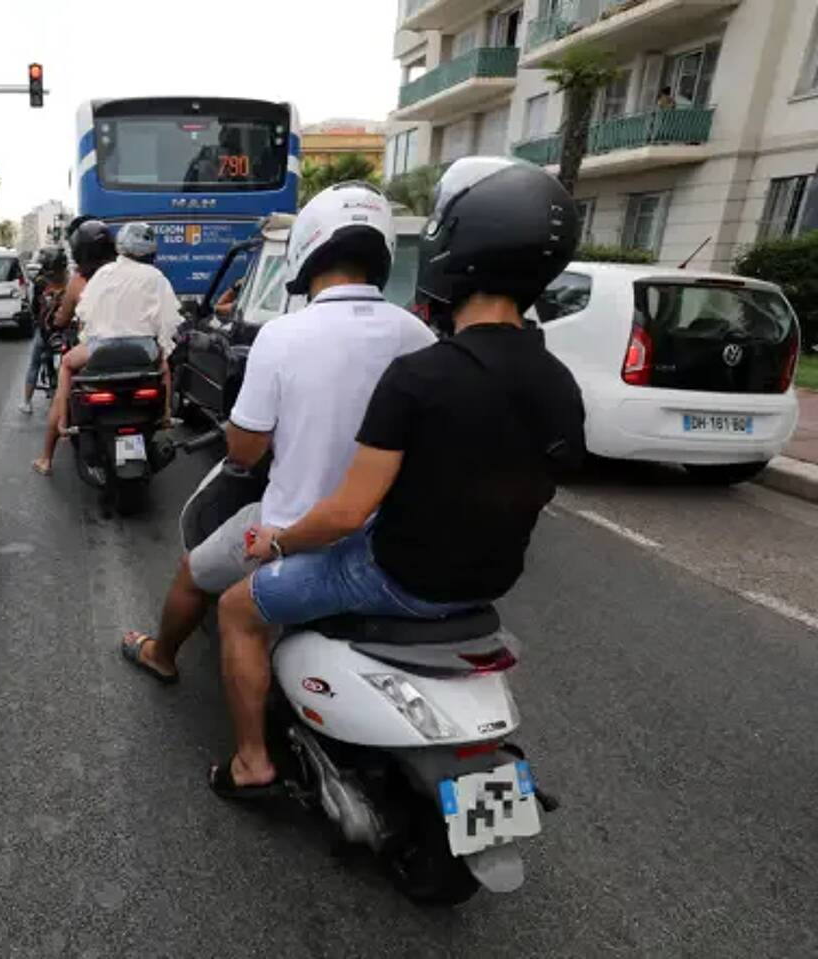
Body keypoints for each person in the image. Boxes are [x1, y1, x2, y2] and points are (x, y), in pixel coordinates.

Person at [210, 157, 587, 799]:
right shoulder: (560, 383)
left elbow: (345, 515)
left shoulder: (423, 375)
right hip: (489, 580)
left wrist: (273, 543)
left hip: (395, 579)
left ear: (454, 252)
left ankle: (252, 762)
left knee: (236, 608)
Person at [117, 183, 434, 696]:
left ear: (307, 250)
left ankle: (161, 655)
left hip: (289, 527)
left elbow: (245, 453)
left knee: (192, 574)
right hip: (384, 540)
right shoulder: (419, 337)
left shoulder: (282, 335)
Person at [32, 221, 182, 475]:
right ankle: (166, 415)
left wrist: (91, 335)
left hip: (101, 349)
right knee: (164, 365)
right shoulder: (156, 277)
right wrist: (161, 347)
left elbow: (84, 313)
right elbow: (169, 320)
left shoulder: (96, 276)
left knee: (67, 365)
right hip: (143, 351)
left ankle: (62, 428)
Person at [20, 245, 70, 414]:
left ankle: (27, 402)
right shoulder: (71, 281)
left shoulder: (40, 283)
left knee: (34, 364)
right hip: (66, 330)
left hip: (46, 332)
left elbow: (34, 307)